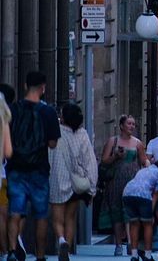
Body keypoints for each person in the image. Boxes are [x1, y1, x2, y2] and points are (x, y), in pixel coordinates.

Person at [8, 71, 61, 261]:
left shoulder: (13, 109)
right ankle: (40, 256)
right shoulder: (47, 112)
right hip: (39, 169)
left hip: (15, 167)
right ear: (43, 88)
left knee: (16, 212)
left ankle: (13, 250)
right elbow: (53, 144)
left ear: (25, 86)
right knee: (40, 215)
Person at [49, 103, 98, 261]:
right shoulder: (83, 134)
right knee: (70, 217)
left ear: (63, 117)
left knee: (58, 218)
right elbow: (90, 160)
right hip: (77, 182)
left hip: (57, 178)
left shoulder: (56, 130)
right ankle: (68, 250)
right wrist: (92, 187)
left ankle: (61, 240)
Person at [101, 114, 148, 256]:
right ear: (121, 125)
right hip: (115, 181)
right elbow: (104, 161)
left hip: (132, 182)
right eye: (129, 123)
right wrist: (115, 156)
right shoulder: (113, 141)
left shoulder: (138, 143)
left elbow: (144, 161)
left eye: (133, 124)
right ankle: (118, 244)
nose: (132, 126)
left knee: (130, 213)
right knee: (116, 213)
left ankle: (130, 243)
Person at [122, 160, 158, 261]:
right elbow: (157, 194)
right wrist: (151, 213)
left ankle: (134, 255)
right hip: (143, 195)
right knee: (147, 224)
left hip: (127, 192)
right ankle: (148, 255)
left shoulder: (143, 170)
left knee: (134, 223)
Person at [0, 85, 14, 257]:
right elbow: (8, 152)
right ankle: (3, 250)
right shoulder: (3, 123)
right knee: (2, 215)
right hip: (1, 175)